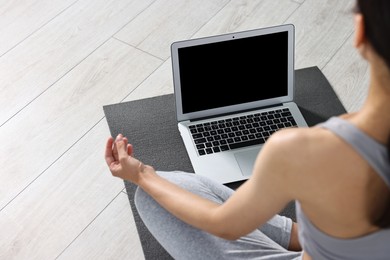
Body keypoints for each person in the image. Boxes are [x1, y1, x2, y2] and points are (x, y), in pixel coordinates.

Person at [104, 0, 390, 258]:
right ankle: (304, 235)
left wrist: (141, 174)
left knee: (154, 197)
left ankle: (303, 236)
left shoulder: (307, 150)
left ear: (360, 31)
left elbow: (223, 225)